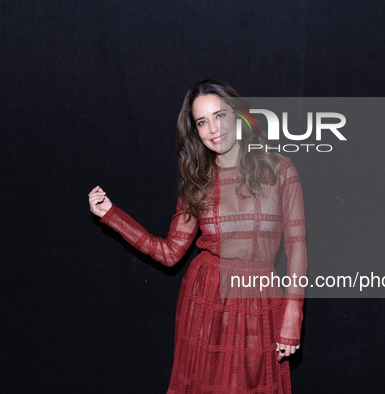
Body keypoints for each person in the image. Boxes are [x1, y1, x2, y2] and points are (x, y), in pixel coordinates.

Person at [88, 79, 307, 393]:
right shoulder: (198, 182)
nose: (213, 129)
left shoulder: (280, 169)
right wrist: (111, 216)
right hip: (207, 301)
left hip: (260, 300)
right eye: (202, 122)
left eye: (219, 116)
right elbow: (170, 253)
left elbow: (297, 248)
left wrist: (292, 316)